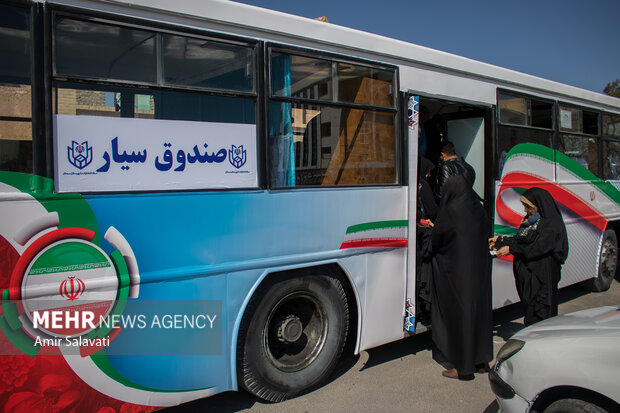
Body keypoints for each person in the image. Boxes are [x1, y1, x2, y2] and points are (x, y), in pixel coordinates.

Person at [429, 175, 493, 380]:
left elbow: (437, 240)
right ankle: (481, 362)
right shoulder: (478, 209)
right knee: (480, 315)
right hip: (479, 274)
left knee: (460, 318)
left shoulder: (451, 211)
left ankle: (463, 367)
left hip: (457, 277)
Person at [489, 187, 569, 326]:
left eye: (528, 206)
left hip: (542, 279)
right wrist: (501, 241)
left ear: (539, 206)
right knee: (530, 312)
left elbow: (536, 247)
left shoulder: (551, 225)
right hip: (531, 280)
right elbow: (522, 240)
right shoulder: (532, 222)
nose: (525, 210)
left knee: (541, 315)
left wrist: (511, 249)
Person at [415, 157, 437, 325]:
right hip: (423, 236)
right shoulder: (423, 185)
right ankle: (423, 311)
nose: (429, 174)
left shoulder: (412, 183)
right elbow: (431, 209)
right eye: (428, 170)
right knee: (423, 273)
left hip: (415, 233)